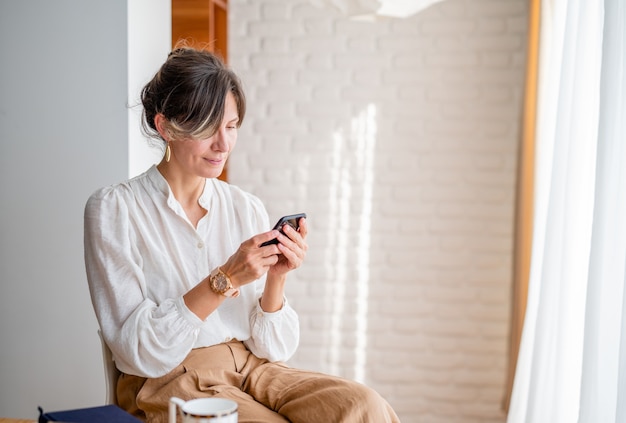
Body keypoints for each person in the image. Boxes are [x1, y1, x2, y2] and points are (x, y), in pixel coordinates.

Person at [84, 47, 400, 423]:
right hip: (171, 379)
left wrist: (276, 278)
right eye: (206, 127)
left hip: (255, 369)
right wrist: (226, 278)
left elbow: (273, 348)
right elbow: (141, 353)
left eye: (231, 126)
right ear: (164, 126)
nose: (223, 144)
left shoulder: (244, 206)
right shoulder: (115, 209)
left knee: (364, 406)